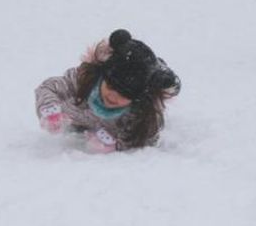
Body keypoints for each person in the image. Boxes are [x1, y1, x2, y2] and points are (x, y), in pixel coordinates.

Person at [35, 29, 181, 152]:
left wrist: (115, 144)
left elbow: (146, 138)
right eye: (111, 86)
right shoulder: (84, 81)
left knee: (156, 88)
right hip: (78, 120)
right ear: (102, 77)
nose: (113, 95)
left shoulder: (137, 113)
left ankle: (160, 74)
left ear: (136, 98)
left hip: (106, 125)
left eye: (124, 94)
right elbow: (49, 87)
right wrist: (50, 108)